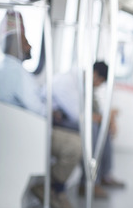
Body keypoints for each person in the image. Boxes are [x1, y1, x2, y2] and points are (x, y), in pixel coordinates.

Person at [0, 10, 82, 208]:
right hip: (27, 130)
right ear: (14, 46)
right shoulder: (17, 73)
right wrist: (52, 113)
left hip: (12, 126)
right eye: (26, 42)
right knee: (75, 145)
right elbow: (38, 109)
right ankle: (52, 188)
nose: (30, 46)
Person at [52, 61, 125, 199]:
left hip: (71, 118)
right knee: (93, 128)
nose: (99, 86)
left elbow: (97, 109)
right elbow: (79, 116)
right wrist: (106, 119)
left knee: (103, 127)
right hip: (58, 119)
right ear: (95, 75)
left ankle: (104, 175)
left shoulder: (85, 83)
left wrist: (109, 120)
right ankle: (88, 183)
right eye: (100, 82)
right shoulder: (66, 82)